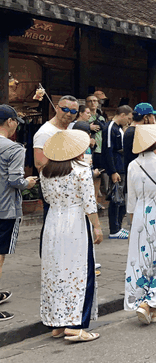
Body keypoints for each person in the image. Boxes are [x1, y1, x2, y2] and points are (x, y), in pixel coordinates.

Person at [39, 130, 104, 342]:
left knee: (55, 273)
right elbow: (89, 202)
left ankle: (57, 322)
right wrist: (97, 226)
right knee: (80, 272)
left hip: (53, 222)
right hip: (75, 221)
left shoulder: (45, 171)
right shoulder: (81, 170)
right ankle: (76, 325)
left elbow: (47, 199)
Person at [124, 124, 156, 324]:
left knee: (142, 256)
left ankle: (142, 299)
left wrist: (131, 225)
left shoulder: (132, 165)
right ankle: (151, 302)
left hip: (139, 214)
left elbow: (131, 199)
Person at [0, 105, 38, 321]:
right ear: (11, 122)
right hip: (4, 208)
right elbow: (15, 180)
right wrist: (28, 182)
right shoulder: (14, 149)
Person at [101, 105, 133, 239]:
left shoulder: (119, 128)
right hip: (116, 167)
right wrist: (112, 171)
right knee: (116, 198)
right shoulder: (110, 128)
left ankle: (118, 226)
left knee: (121, 198)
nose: (129, 121)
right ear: (123, 115)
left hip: (122, 166)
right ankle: (114, 229)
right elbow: (107, 150)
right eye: (129, 118)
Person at [123, 103, 156, 181]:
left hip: (136, 178)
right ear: (145, 117)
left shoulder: (131, 131)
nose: (154, 119)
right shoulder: (137, 133)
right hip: (140, 180)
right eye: (152, 116)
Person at [85, 94, 107, 203]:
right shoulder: (85, 117)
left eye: (95, 101)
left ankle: (95, 200)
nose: (93, 103)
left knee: (98, 175)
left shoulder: (101, 117)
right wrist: (88, 127)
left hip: (100, 149)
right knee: (89, 174)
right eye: (90, 101)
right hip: (89, 150)